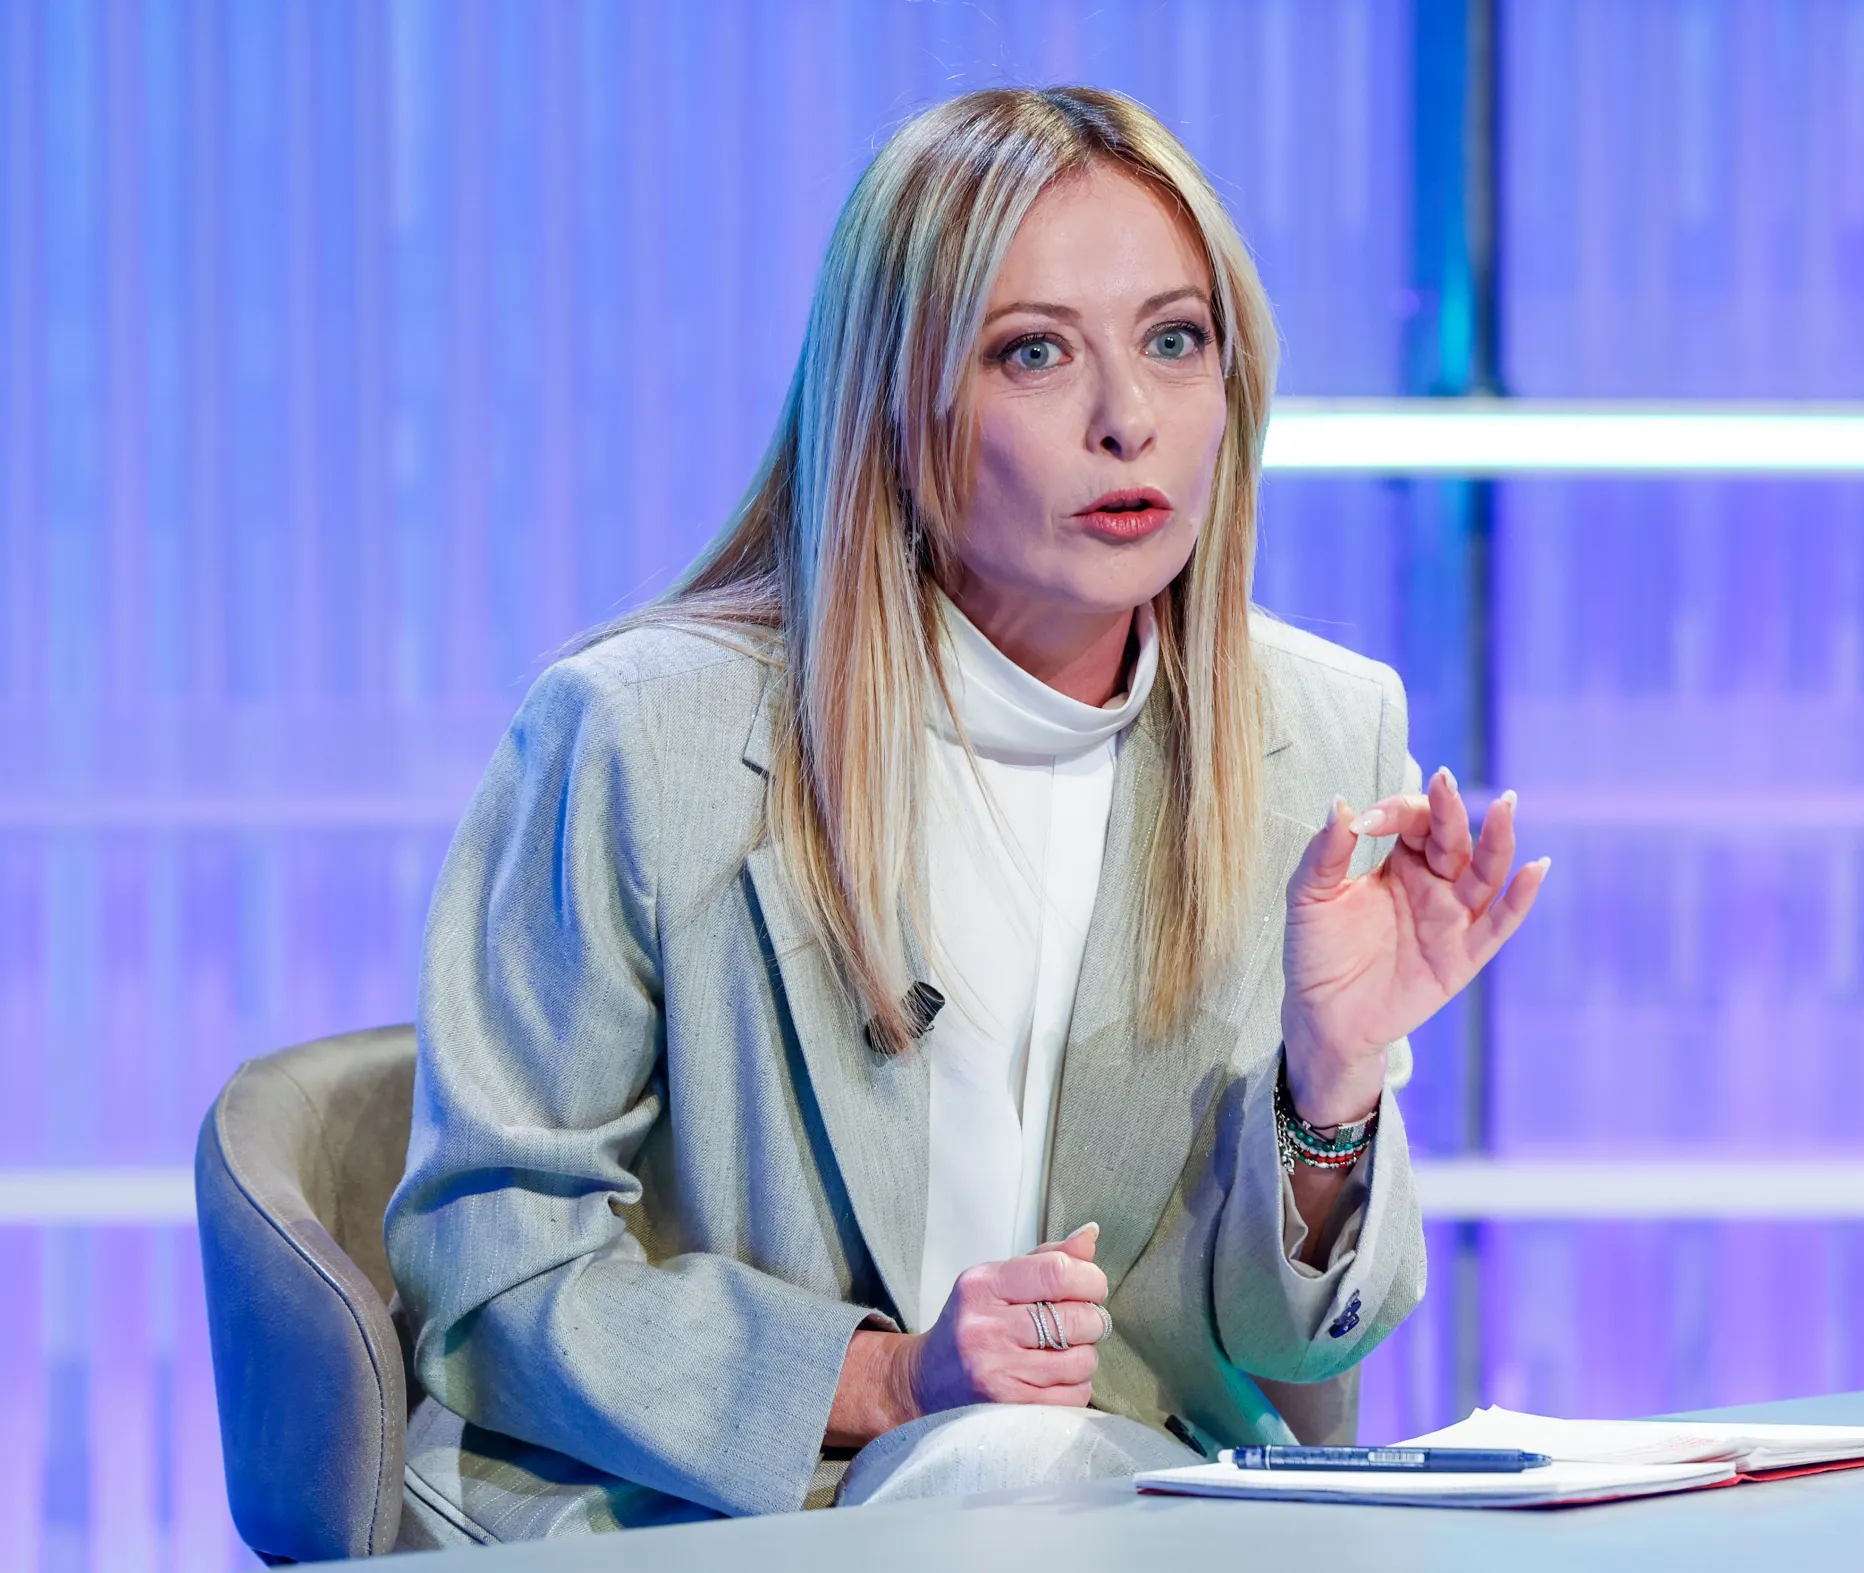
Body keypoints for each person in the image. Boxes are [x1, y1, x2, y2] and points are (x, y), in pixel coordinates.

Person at [384, 85, 1547, 1543]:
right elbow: (487, 1266)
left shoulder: (1316, 729)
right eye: (1035, 353)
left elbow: (1295, 1348)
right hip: (721, 1512)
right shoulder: (644, 738)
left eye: (1174, 341)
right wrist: (882, 1379)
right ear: (897, 397)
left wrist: (1333, 1085)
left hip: (1138, 1501)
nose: (1129, 419)